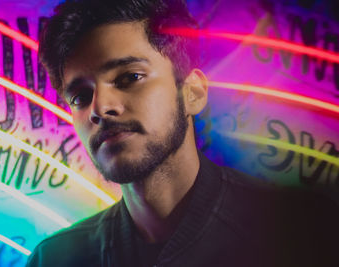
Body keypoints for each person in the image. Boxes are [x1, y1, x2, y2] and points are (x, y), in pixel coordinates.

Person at [26, 0, 339, 266]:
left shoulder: (303, 230)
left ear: (193, 92)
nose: (100, 107)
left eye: (129, 77)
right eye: (80, 96)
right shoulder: (55, 259)